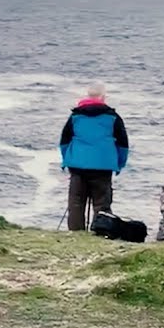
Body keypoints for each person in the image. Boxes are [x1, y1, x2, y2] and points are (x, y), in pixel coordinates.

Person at [58, 84, 130, 231]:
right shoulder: (112, 118)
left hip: (77, 165)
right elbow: (123, 144)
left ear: (87, 97)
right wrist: (120, 164)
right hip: (103, 166)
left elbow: (64, 141)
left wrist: (68, 159)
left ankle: (75, 233)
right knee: (101, 203)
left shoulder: (75, 117)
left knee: (76, 202)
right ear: (103, 97)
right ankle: (100, 232)